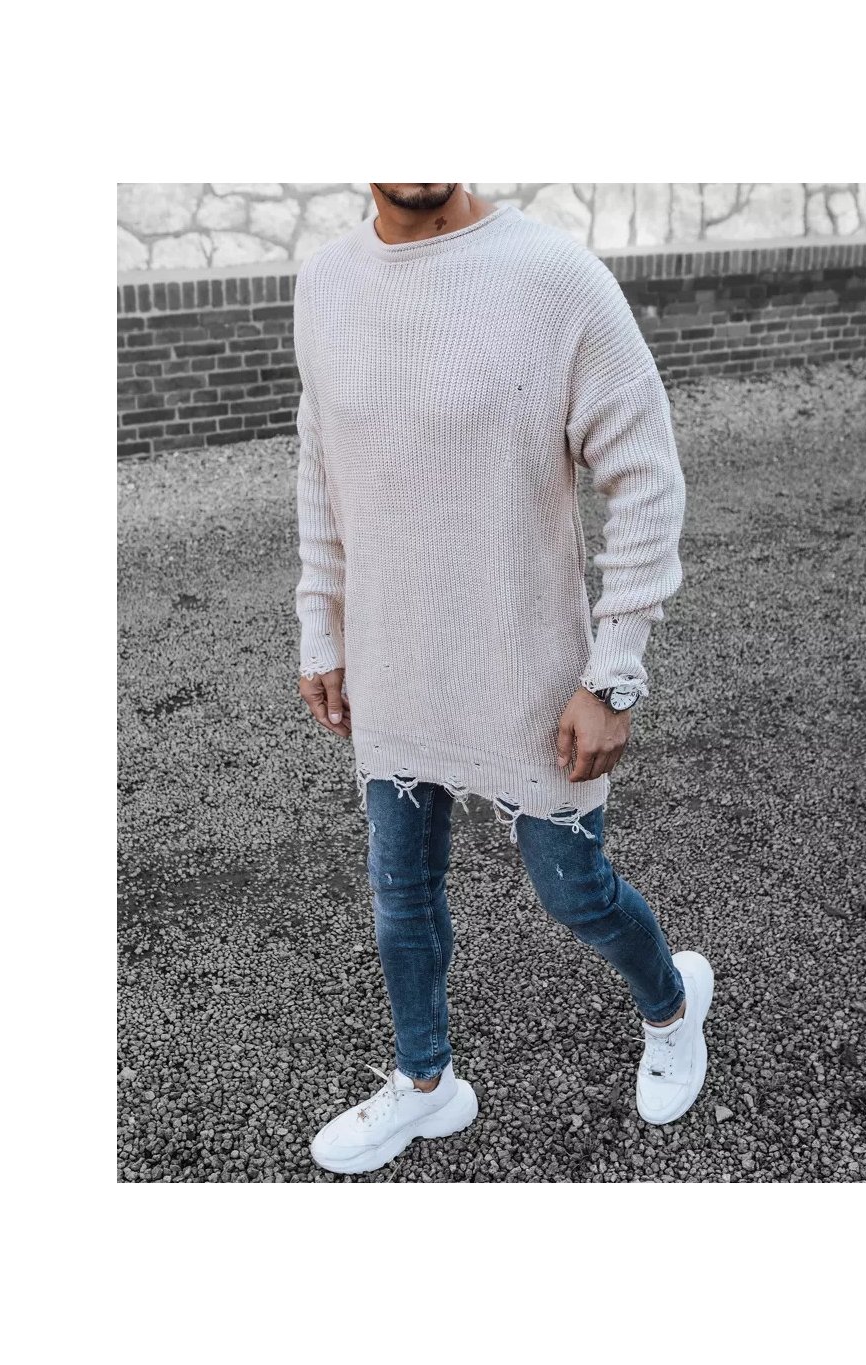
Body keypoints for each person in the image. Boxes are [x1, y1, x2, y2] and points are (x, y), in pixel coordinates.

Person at [294, 184, 713, 1176]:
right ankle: (426, 1086)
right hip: (395, 661)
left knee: (575, 892)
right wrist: (321, 618)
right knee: (401, 895)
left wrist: (614, 673)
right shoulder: (326, 281)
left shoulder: (553, 278)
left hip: (528, 667)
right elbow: (321, 459)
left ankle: (672, 1005)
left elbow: (647, 476)